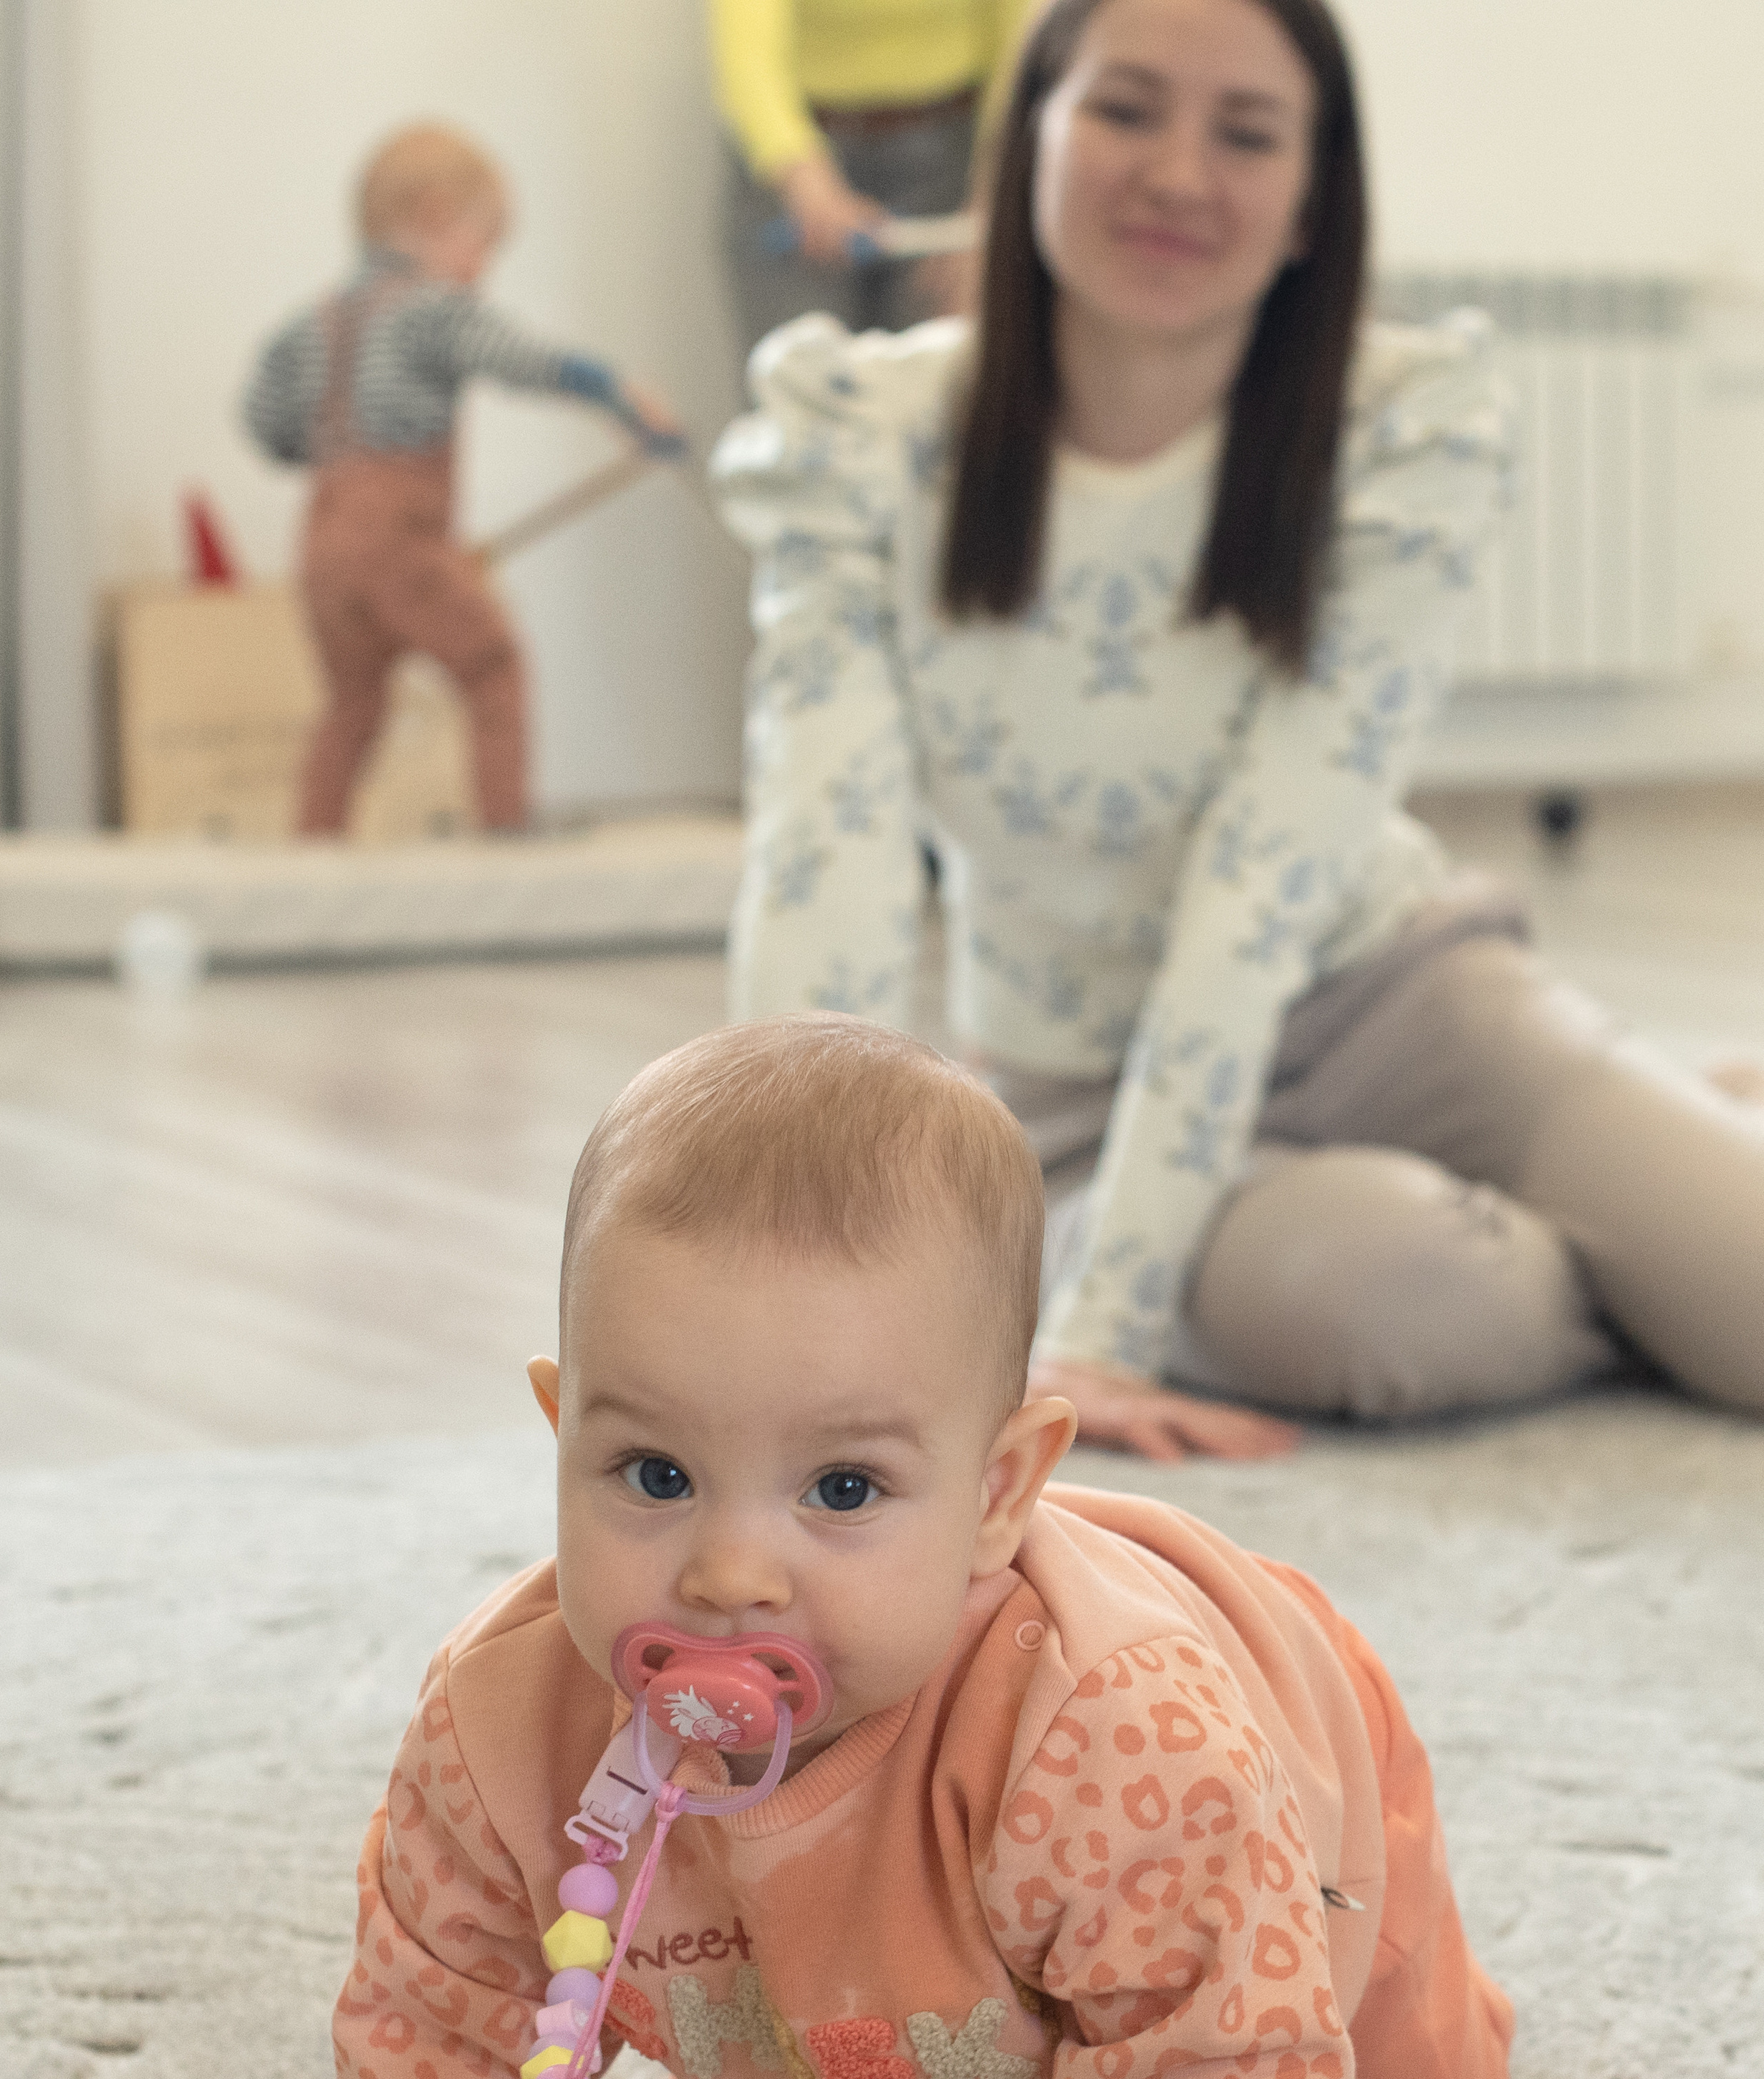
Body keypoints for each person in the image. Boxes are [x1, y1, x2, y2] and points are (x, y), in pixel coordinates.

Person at [318, 1016, 1513, 2079]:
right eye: (654, 1475)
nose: (730, 1574)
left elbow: (1221, 2063)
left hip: (1282, 1844)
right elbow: (440, 2018)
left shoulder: (1111, 1746)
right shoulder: (503, 1724)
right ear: (562, 1428)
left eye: (842, 1491)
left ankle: (1428, 2026)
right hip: (885, 2005)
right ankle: (825, 2078)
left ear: (1000, 1488)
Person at [711, 0, 1764, 1463]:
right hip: (1070, 1090)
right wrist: (792, 1265)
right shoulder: (856, 438)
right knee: (1393, 1304)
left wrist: (1100, 1324)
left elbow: (1261, 888)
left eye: (1245, 133)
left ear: (1307, 202)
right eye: (1126, 110)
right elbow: (820, 863)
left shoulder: (1399, 431)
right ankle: (1619, 1197)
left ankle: (1644, 1156)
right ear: (1029, 137)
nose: (1178, 174)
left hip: (1395, 1002)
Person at [244, 125, 685, 836]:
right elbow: (515, 357)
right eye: (485, 247)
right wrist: (614, 391)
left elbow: (264, 424)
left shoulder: (310, 325)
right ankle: (505, 829)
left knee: (352, 707)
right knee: (492, 666)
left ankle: (312, 849)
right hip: (399, 542)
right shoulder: (432, 310)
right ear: (435, 215)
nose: (483, 273)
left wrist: (334, 448)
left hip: (321, 547)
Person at [712, 0, 1033, 354]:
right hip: (794, 165)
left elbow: (1026, 44)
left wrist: (995, 212)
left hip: (960, 164)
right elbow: (748, 55)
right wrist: (805, 181)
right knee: (797, 383)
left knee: (946, 387)